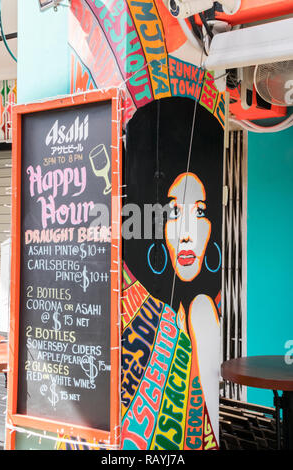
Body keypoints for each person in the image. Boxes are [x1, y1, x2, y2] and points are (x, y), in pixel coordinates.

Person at [121, 96, 223, 449]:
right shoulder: (160, 313)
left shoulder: (202, 312)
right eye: (174, 212)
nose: (186, 233)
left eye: (200, 211)